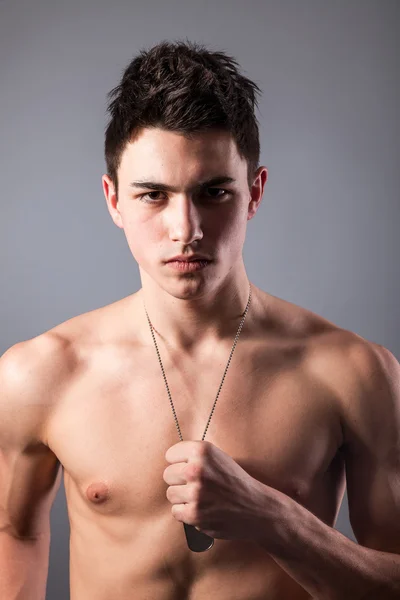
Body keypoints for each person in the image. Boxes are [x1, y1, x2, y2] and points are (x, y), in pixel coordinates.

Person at [1, 39, 399, 600]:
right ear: (114, 200)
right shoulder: (39, 374)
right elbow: (14, 532)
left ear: (254, 193)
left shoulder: (353, 372)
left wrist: (275, 521)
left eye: (213, 193)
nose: (185, 228)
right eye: (153, 195)